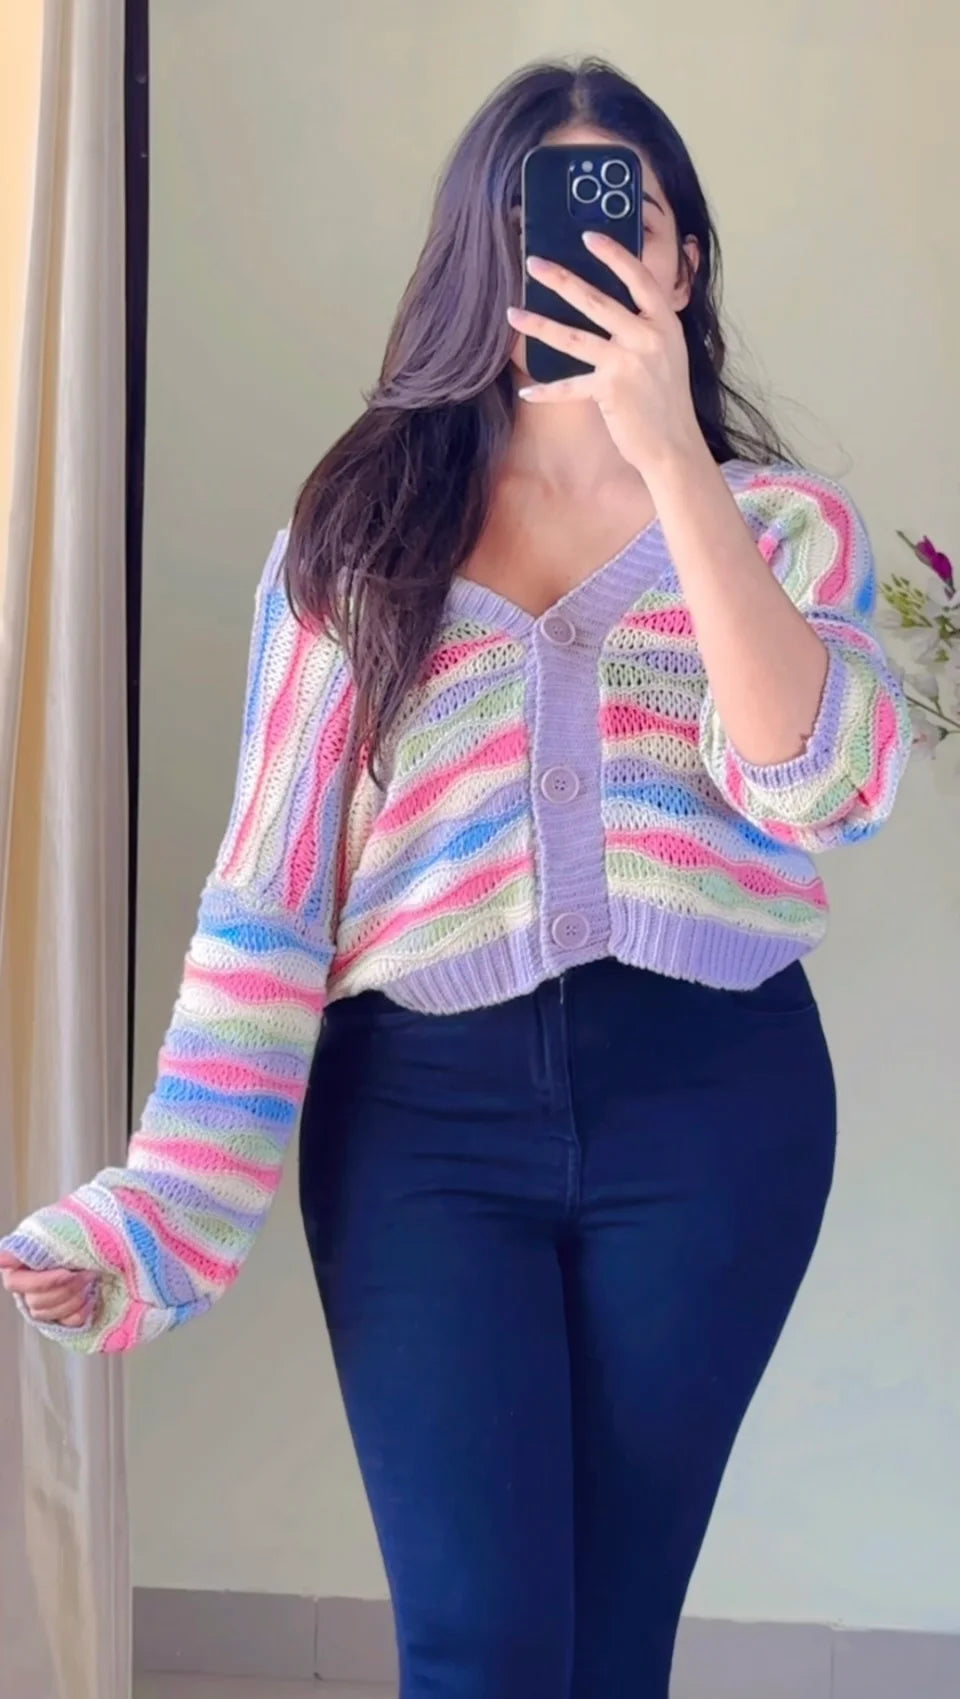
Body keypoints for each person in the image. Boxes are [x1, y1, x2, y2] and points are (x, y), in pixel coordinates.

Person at [1, 57, 910, 1699]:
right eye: (533, 221)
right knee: (480, 1648)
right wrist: (165, 1204)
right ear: (475, 256)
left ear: (683, 262)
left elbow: (827, 786)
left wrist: (671, 462)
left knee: (609, 1652)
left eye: (623, 223)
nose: (577, 257)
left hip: (716, 1117)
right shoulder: (359, 539)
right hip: (421, 1131)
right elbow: (268, 901)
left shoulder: (784, 533)